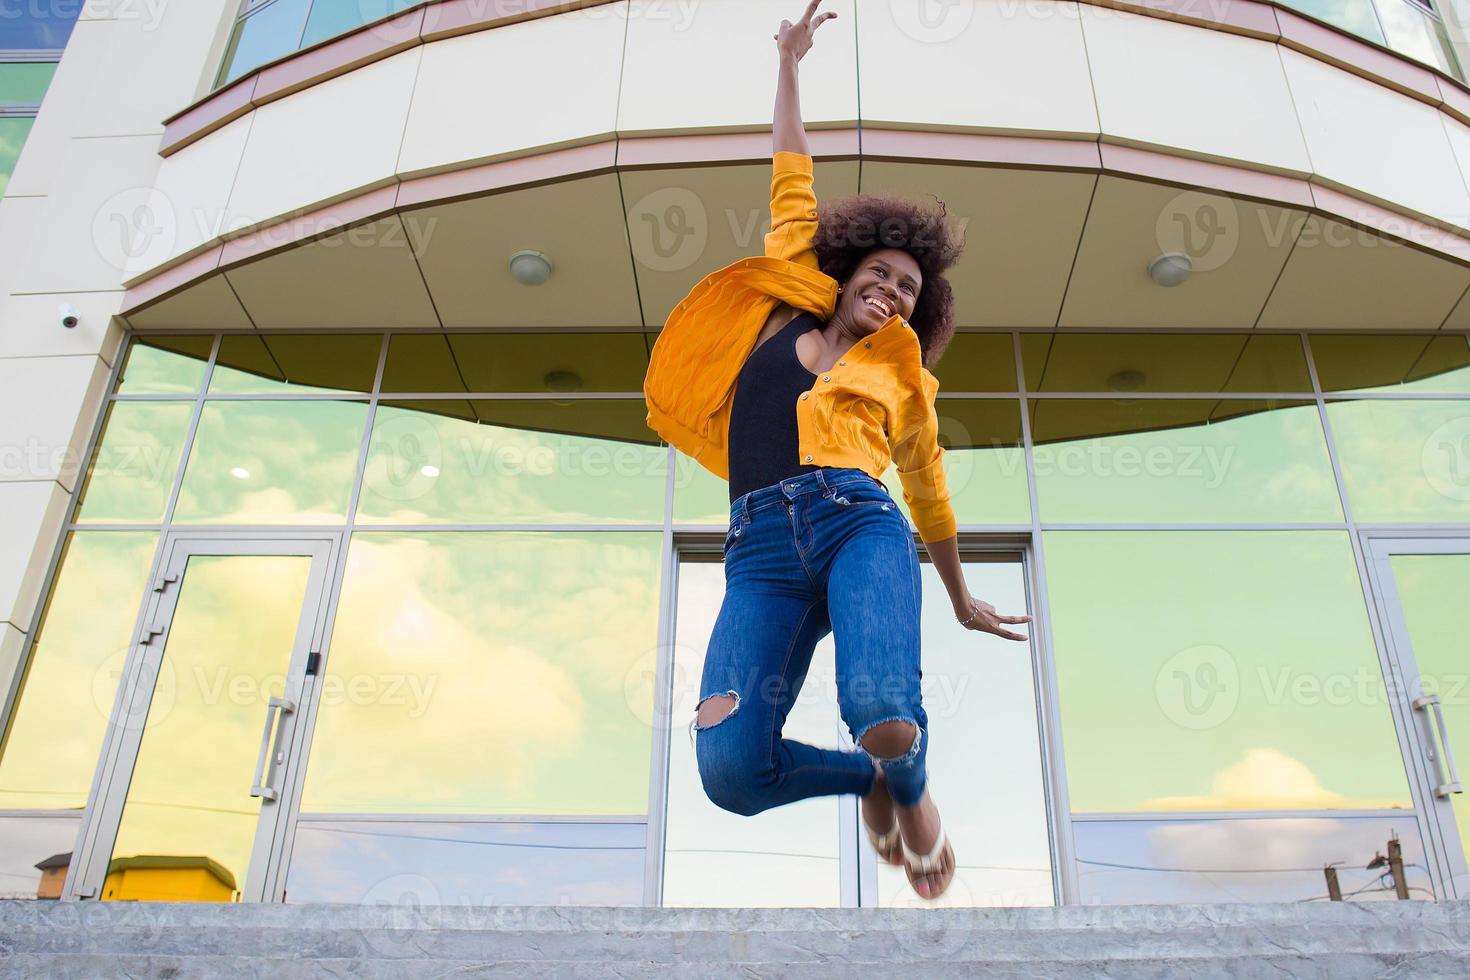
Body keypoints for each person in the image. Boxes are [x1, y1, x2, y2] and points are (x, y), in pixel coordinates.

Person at [642, 0, 1031, 901]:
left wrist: (962, 593)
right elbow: (790, 174)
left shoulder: (906, 379)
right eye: (882, 273)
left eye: (908, 288)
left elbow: (928, 492)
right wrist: (788, 63)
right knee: (731, 771)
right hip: (762, 555)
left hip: (861, 528)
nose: (892, 291)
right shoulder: (786, 303)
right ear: (846, 268)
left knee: (882, 713)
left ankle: (908, 779)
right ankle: (866, 785)